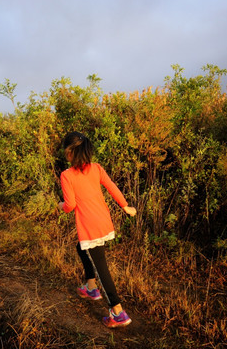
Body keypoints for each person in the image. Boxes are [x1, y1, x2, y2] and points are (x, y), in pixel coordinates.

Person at [57, 131, 137, 328]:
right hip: (103, 220)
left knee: (102, 269)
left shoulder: (66, 175)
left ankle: (117, 312)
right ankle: (91, 287)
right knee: (80, 248)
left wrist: (60, 206)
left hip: (89, 226)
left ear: (69, 152)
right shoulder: (97, 168)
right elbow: (112, 187)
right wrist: (125, 206)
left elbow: (70, 205)